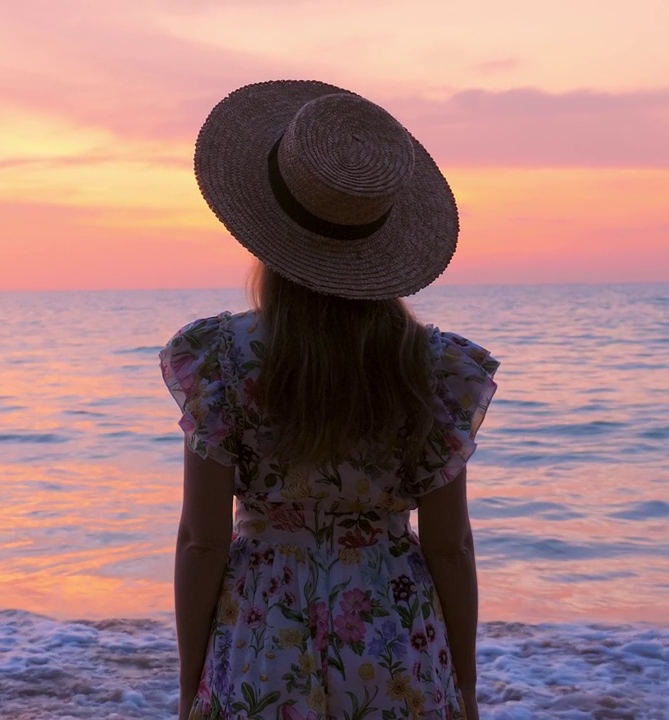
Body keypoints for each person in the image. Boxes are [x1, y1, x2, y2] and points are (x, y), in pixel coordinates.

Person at [160, 80, 499, 720]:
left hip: (261, 638)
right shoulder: (432, 367)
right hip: (396, 639)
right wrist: (466, 686)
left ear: (263, 233)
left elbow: (201, 542)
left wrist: (190, 686)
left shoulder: (221, 358)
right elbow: (449, 546)